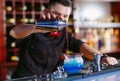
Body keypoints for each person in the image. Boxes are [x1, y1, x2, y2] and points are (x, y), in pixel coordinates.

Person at [10, 0, 118, 79]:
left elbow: (81, 46)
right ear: (47, 11)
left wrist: (102, 57)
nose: (61, 19)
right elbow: (13, 32)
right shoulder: (33, 29)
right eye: (57, 14)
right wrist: (38, 28)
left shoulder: (64, 34)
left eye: (65, 16)